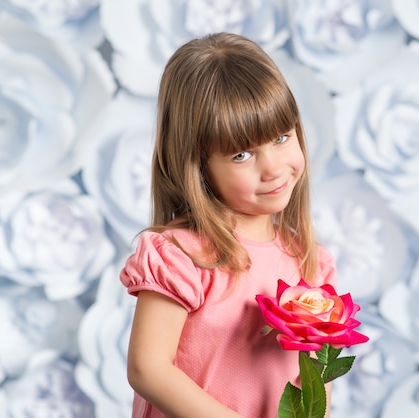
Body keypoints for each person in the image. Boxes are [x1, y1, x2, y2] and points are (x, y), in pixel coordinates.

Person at [120, 32, 336, 417]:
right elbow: (147, 369)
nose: (272, 168)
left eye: (282, 137)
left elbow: (314, 379)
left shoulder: (309, 263)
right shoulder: (182, 257)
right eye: (241, 155)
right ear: (199, 166)